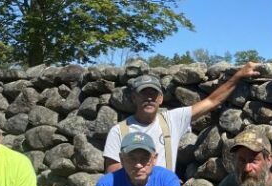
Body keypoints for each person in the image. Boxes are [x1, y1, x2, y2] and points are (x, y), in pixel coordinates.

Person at [103, 62, 260, 173]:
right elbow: (112, 173)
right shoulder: (118, 131)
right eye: (143, 94)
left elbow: (212, 101)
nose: (149, 98)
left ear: (160, 99)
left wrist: (238, 76)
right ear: (133, 98)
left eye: (153, 94)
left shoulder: (172, 119)